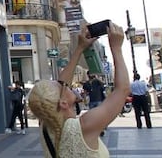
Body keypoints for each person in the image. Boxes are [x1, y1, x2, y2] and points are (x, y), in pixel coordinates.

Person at [28, 22, 130, 157]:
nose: (64, 83)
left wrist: (80, 48)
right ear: (63, 103)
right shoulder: (83, 126)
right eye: (60, 86)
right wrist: (116, 48)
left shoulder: (47, 126)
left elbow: (62, 83)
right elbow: (122, 90)